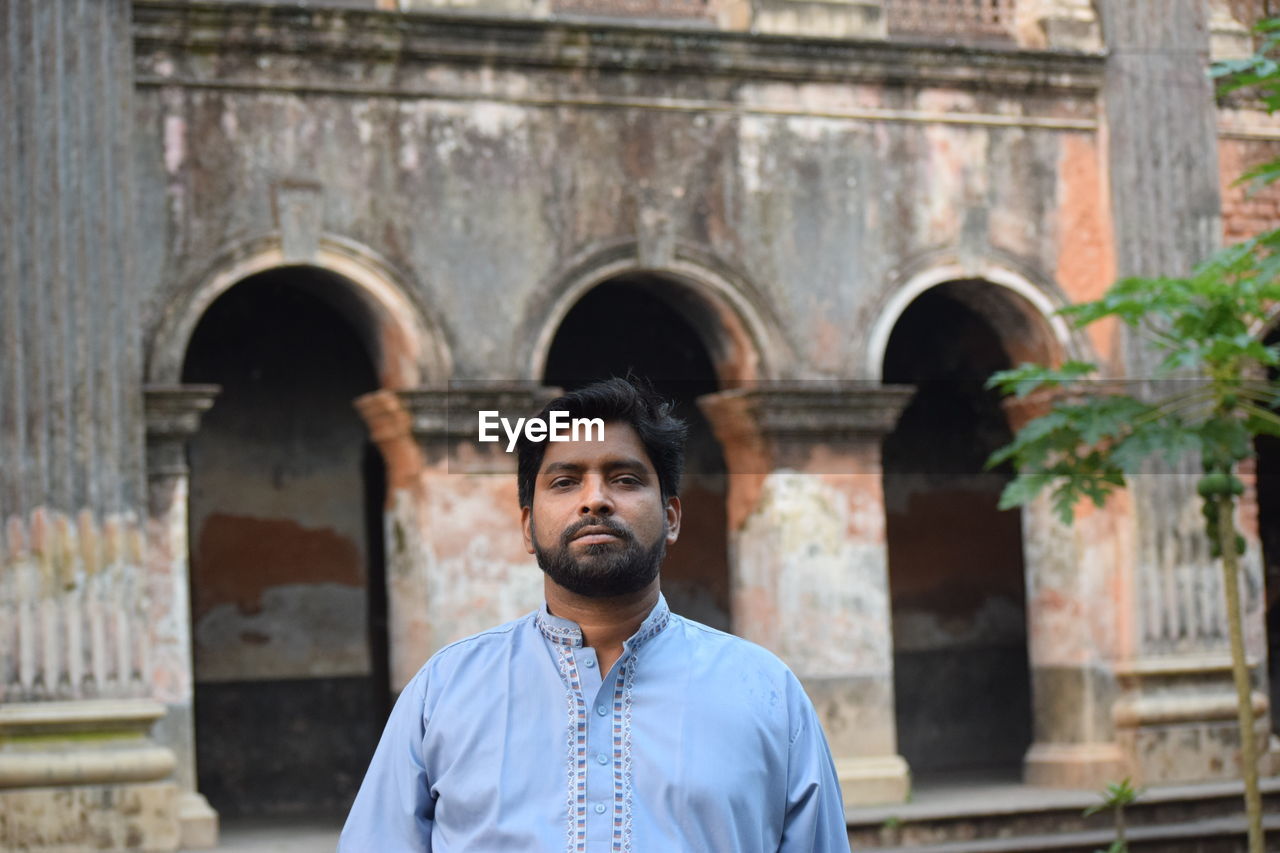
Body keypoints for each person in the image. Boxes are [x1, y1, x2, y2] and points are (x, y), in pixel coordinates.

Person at [339, 377, 849, 852]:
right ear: (526, 527)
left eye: (624, 479)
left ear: (671, 518)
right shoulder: (444, 692)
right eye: (564, 482)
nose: (595, 501)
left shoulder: (767, 693)